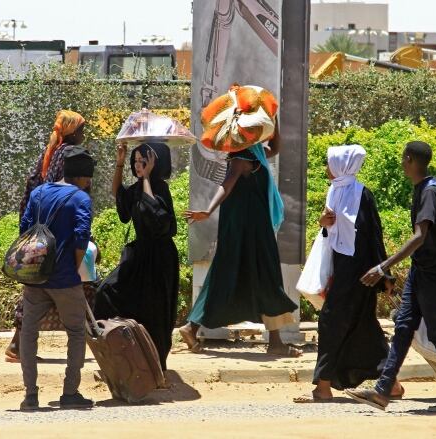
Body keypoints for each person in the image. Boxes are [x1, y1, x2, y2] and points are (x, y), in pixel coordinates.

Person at [345, 141, 436, 413]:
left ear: (410, 159)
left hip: (432, 274)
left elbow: (420, 236)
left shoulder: (429, 192)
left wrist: (383, 267)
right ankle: (382, 391)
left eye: (404, 159)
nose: (402, 163)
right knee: (403, 327)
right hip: (421, 272)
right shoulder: (424, 188)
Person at [293, 144, 401, 403]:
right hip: (342, 269)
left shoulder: (362, 195)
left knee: (331, 323)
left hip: (360, 273)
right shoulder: (336, 191)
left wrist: (384, 275)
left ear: (342, 166)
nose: (327, 169)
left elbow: (374, 237)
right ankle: (392, 384)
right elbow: (332, 233)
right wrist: (324, 224)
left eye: (330, 164)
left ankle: (323, 386)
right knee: (363, 326)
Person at [180, 131, 301, 357]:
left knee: (239, 276)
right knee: (265, 276)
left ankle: (192, 327)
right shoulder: (241, 157)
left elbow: (275, 146)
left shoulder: (256, 154)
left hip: (250, 229)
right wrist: (208, 210)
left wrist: (272, 121)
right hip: (248, 231)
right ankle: (275, 343)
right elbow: (228, 183)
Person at [18, 146, 95, 411]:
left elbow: (24, 228)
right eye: (89, 179)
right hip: (64, 279)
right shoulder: (81, 198)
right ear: (83, 177)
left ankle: (30, 396)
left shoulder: (39, 192)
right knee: (76, 333)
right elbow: (81, 237)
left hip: (35, 277)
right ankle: (70, 393)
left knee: (28, 333)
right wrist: (72, 269)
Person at [6, 110, 87, 361]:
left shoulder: (51, 152)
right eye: (82, 129)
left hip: (39, 227)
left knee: (39, 284)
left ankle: (19, 344)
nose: (84, 134)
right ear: (72, 132)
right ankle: (19, 345)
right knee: (51, 284)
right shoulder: (67, 154)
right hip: (56, 230)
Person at [93, 142, 179, 371]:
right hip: (139, 256)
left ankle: (158, 366)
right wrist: (120, 164)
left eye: (144, 161)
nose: (138, 166)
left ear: (155, 163)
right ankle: (123, 353)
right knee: (107, 291)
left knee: (155, 311)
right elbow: (120, 198)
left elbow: (159, 219)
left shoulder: (160, 188)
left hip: (160, 259)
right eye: (136, 161)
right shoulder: (137, 187)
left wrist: (148, 179)